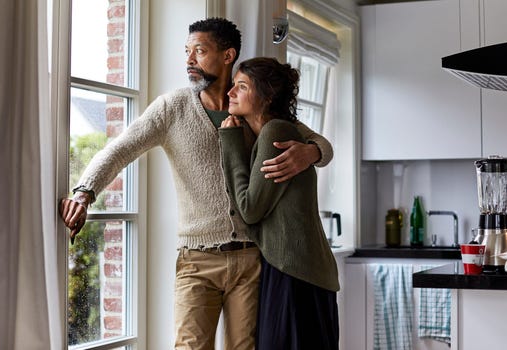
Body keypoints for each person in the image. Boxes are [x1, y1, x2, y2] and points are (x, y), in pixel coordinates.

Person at [58, 18, 333, 350]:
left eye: (199, 51)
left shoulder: (251, 104)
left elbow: (322, 144)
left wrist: (311, 151)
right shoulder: (173, 108)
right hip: (197, 261)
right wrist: (85, 191)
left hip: (250, 260)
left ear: (228, 55)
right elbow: (120, 148)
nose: (189, 61)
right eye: (187, 52)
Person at [219, 57, 340, 350]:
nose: (230, 93)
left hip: (294, 272)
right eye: (233, 85)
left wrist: (231, 141)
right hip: (298, 269)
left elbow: (249, 209)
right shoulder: (276, 130)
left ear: (267, 96)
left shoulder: (276, 131)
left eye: (241, 86)